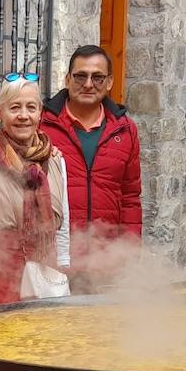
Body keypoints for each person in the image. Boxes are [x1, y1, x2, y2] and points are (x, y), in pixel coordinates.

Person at [40, 45, 142, 291]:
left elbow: (130, 197)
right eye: (80, 76)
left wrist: (128, 252)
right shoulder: (42, 126)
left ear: (109, 82)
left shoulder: (125, 130)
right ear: (67, 79)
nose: (88, 84)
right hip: (55, 262)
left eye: (97, 77)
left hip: (105, 263)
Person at [0, 74, 71, 309]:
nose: (23, 115)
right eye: (14, 107)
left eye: (31, 107)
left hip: (45, 274)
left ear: (40, 113)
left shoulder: (56, 161)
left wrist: (63, 269)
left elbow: (63, 226)